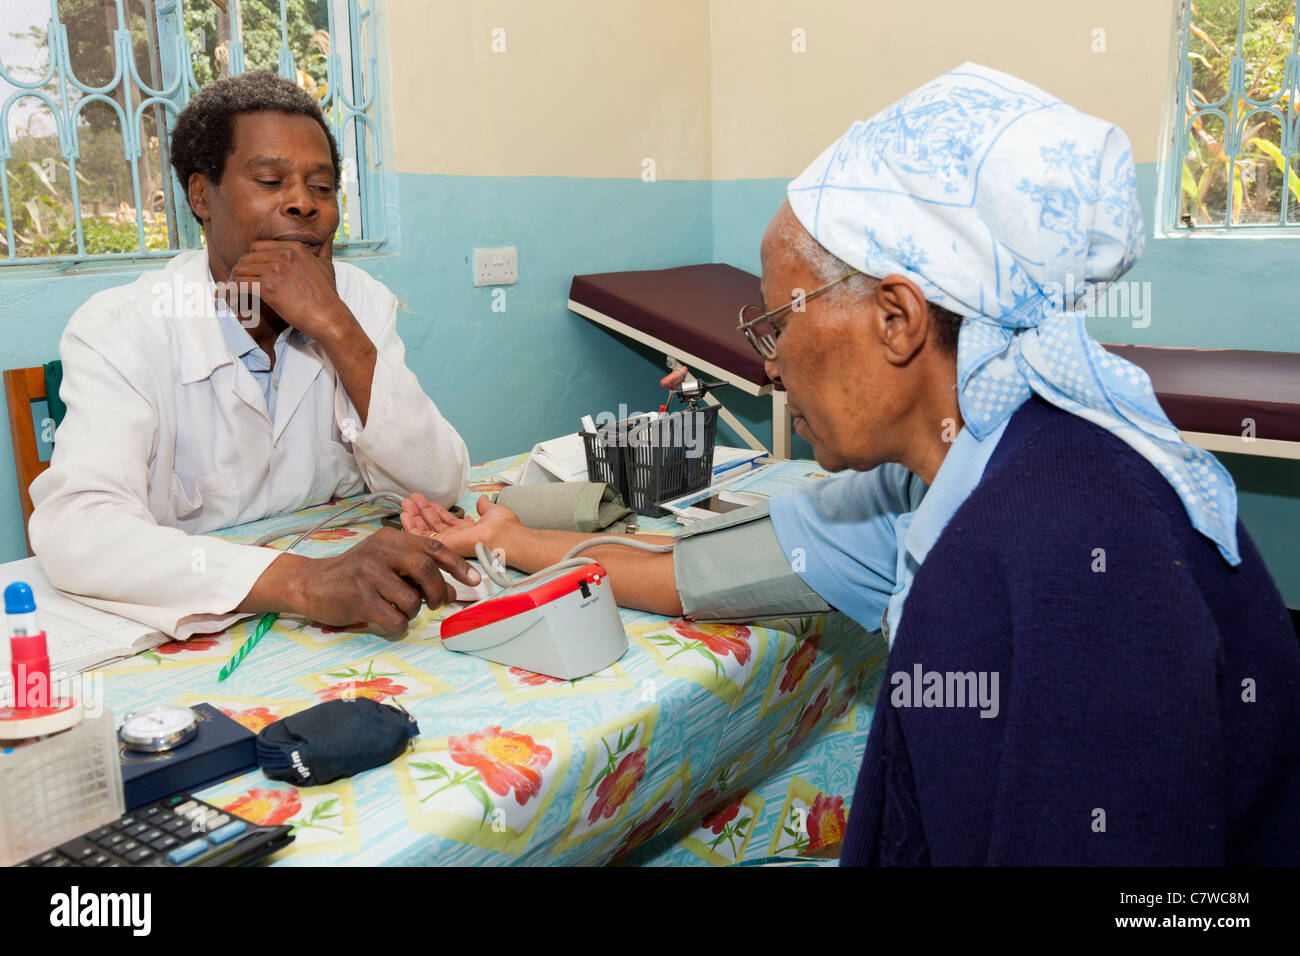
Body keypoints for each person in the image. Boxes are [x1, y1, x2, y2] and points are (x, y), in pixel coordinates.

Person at [403, 63, 1300, 865]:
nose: (767, 361)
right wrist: (511, 536)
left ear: (898, 319)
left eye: (776, 320)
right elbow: (687, 575)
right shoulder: (945, 478)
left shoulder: (1066, 540)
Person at [29, 71, 479, 639]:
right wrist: (303, 583)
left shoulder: (360, 302)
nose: (302, 205)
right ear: (201, 196)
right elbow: (77, 530)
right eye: (270, 180)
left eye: (322, 186)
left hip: (336, 631)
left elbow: (438, 486)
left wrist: (338, 328)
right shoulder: (124, 328)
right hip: (199, 620)